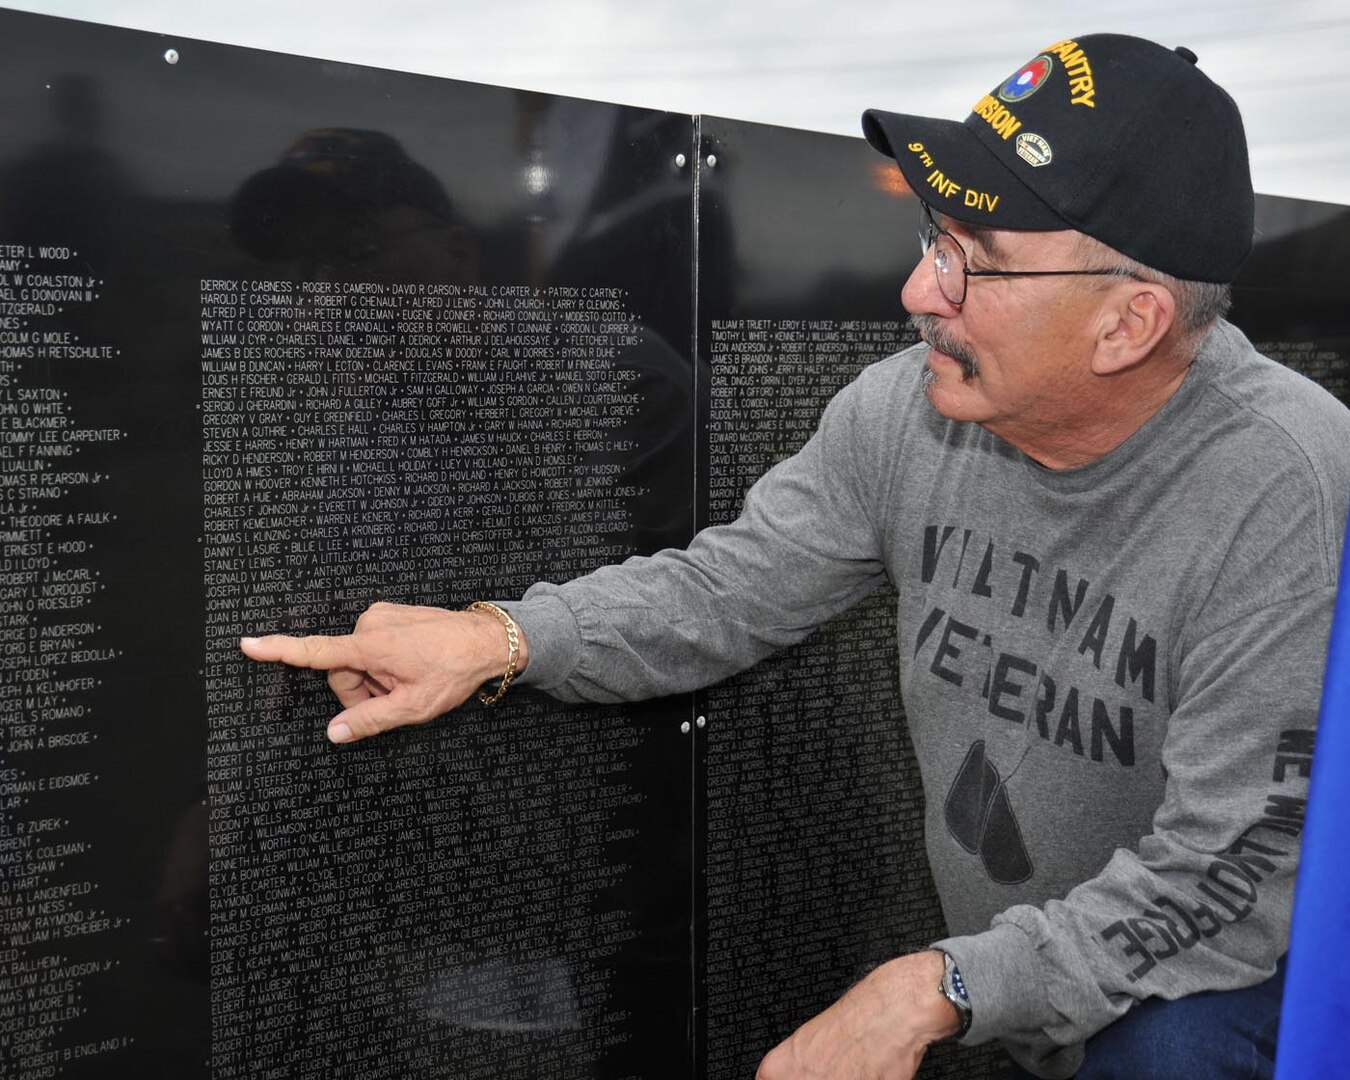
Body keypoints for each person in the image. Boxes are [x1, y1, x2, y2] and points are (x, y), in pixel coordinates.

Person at [241, 33, 1350, 1079]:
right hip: (1049, 971)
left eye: (980, 264)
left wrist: (942, 984)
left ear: (1130, 324)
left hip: (1236, 991)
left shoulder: (1283, 488)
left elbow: (1233, 871)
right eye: (933, 240)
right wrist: (502, 637)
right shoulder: (908, 412)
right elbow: (730, 587)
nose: (921, 294)